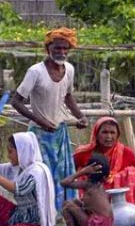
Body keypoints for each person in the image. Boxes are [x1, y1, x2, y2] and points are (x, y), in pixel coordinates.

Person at [12, 28, 88, 207]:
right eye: (57, 48)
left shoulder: (69, 69)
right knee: (42, 176)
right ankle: (42, 216)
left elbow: (68, 97)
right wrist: (42, 121)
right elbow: (16, 102)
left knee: (63, 174)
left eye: (65, 49)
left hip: (59, 133)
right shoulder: (35, 72)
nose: (61, 52)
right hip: (39, 134)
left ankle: (64, 214)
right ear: (48, 49)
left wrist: (80, 116)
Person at [73, 116, 135, 205]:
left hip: (120, 197)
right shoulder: (83, 153)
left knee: (133, 172)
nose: (109, 136)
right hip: (92, 195)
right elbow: (70, 173)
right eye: (104, 132)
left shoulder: (126, 152)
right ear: (96, 134)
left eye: (112, 133)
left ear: (117, 135)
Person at [59, 154, 114, 226]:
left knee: (67, 205)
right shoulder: (100, 184)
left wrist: (82, 172)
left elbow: (63, 183)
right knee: (76, 202)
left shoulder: (88, 184)